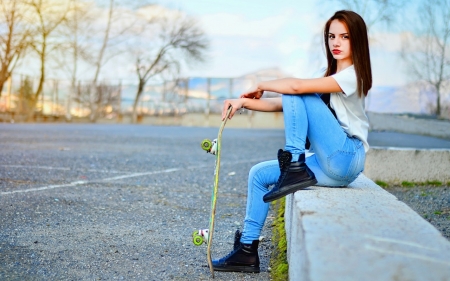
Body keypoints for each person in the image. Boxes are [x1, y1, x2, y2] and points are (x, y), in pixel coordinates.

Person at [212, 10, 372, 273]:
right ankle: (247, 251)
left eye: (345, 36)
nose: (336, 42)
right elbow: (285, 102)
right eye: (332, 36)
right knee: (258, 174)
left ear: (358, 40)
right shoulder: (325, 75)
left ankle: (294, 163)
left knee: (294, 88)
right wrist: (243, 102)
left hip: (347, 154)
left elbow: (294, 90)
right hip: (329, 164)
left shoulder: (353, 75)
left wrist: (263, 83)